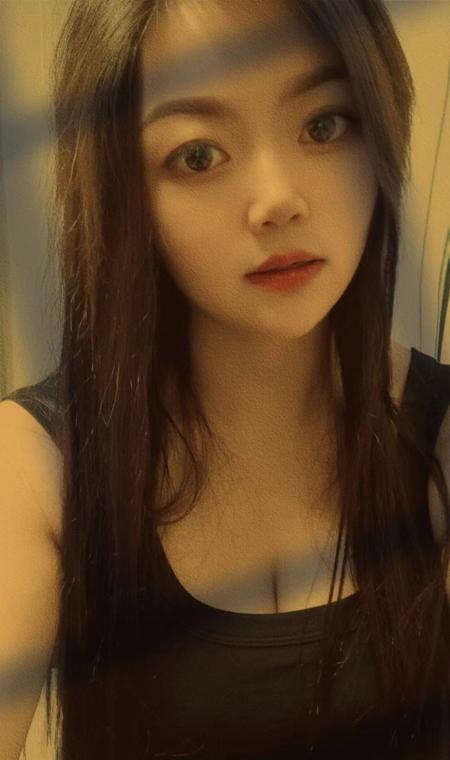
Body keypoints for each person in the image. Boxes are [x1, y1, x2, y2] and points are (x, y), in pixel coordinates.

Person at [0, 0, 449, 758]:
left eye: (324, 124)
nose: (278, 200)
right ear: (126, 192)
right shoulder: (36, 467)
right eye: (199, 155)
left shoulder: (437, 434)